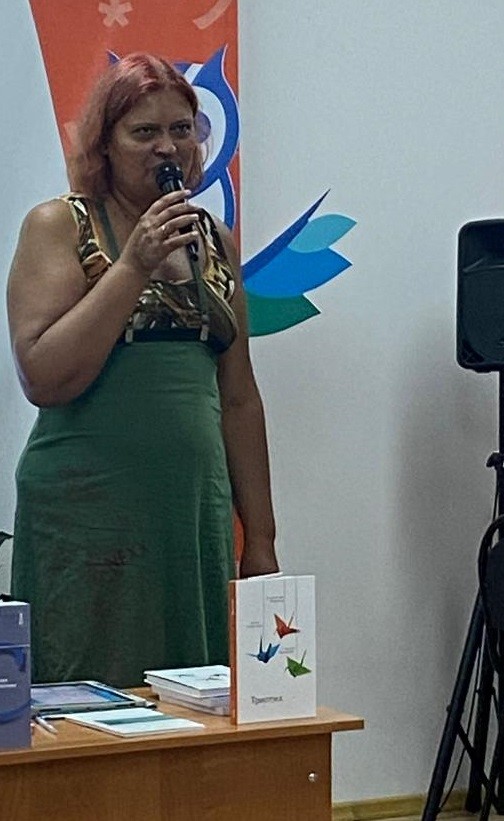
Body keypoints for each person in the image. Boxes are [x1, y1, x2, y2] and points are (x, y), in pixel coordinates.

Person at [6, 53, 279, 688]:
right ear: (105, 144)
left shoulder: (214, 240)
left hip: (190, 515)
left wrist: (262, 539)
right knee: (87, 700)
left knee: (196, 696)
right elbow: (42, 376)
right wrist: (133, 266)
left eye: (182, 129)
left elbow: (239, 398)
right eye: (144, 132)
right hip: (87, 514)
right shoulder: (59, 224)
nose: (168, 147)